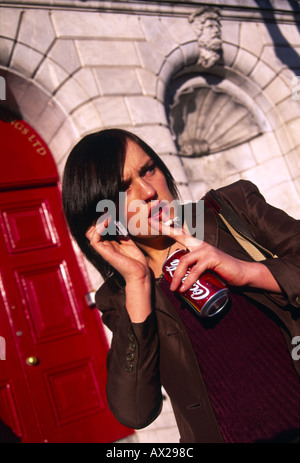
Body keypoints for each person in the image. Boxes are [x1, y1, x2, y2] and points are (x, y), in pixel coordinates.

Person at [62, 128, 300, 443]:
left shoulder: (231, 209)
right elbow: (134, 411)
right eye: (123, 188)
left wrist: (246, 272)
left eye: (149, 169)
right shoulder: (120, 296)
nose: (148, 190)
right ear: (104, 215)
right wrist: (137, 282)